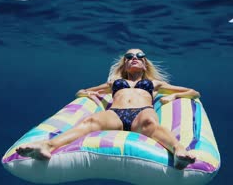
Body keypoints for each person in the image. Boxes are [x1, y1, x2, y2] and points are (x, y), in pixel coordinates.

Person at [16, 49, 201, 170]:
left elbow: (193, 92)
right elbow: (82, 91)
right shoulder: (114, 83)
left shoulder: (154, 83)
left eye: (139, 56)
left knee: (149, 122)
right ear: (125, 64)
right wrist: (89, 95)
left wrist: (173, 96)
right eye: (129, 57)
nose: (134, 58)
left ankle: (178, 151)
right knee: (90, 122)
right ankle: (46, 147)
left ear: (145, 64)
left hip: (142, 112)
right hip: (116, 115)